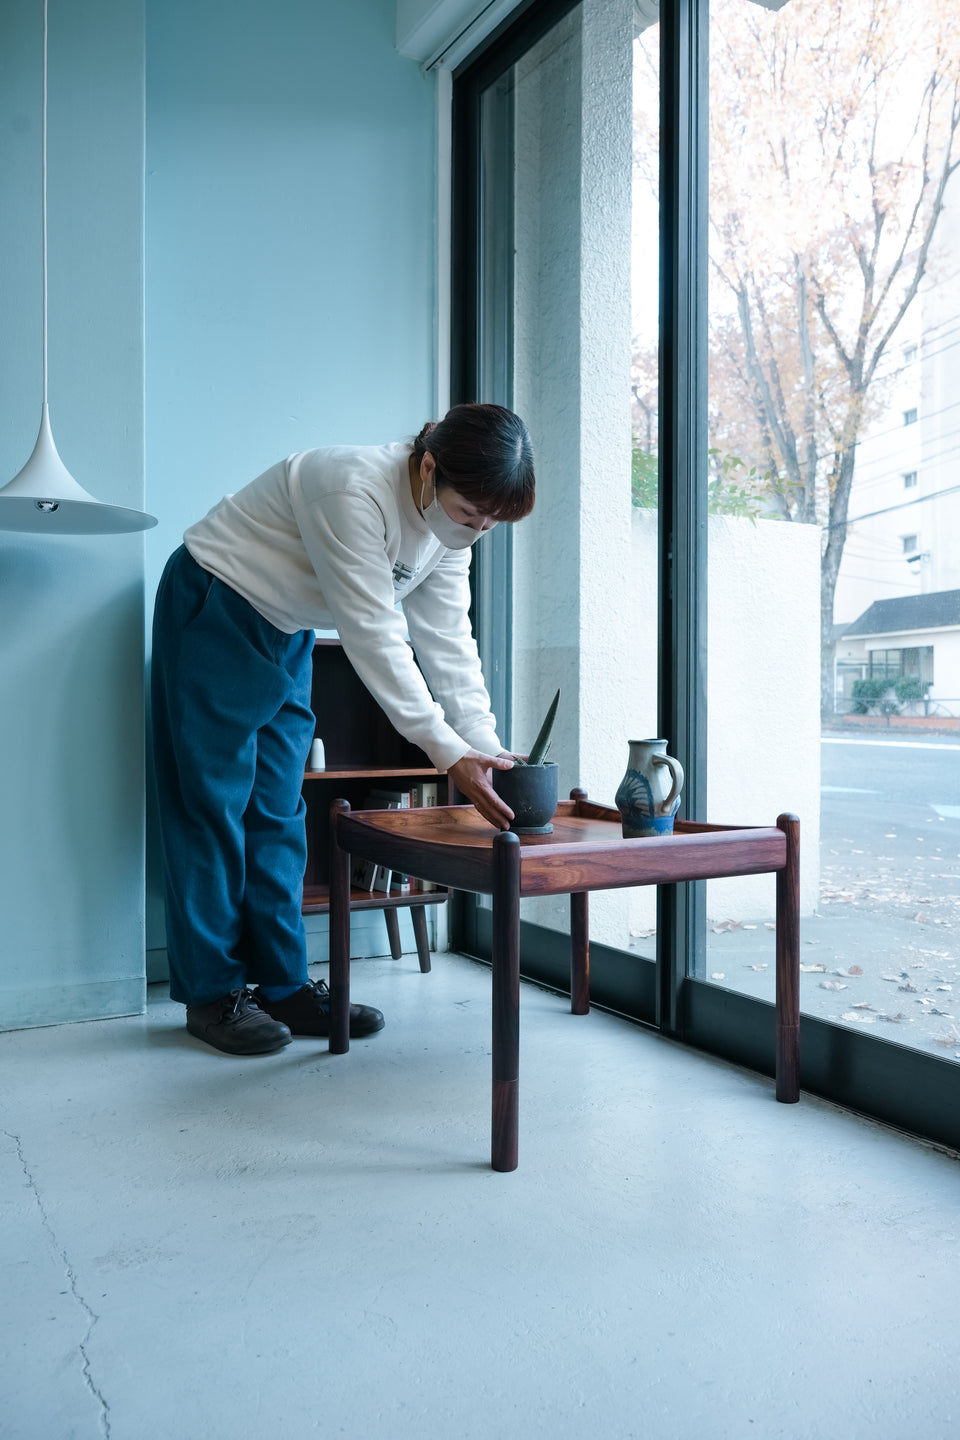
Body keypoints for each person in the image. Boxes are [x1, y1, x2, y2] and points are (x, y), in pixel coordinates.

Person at [151, 402, 536, 1056]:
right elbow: (376, 636)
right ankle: (212, 995)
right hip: (218, 603)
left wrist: (485, 746)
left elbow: (447, 640)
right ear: (429, 466)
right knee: (210, 809)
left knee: (277, 809)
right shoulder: (351, 488)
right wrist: (448, 755)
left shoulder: (448, 533)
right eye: (472, 513)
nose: (476, 530)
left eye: (492, 522)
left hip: (287, 628)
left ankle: (283, 985)